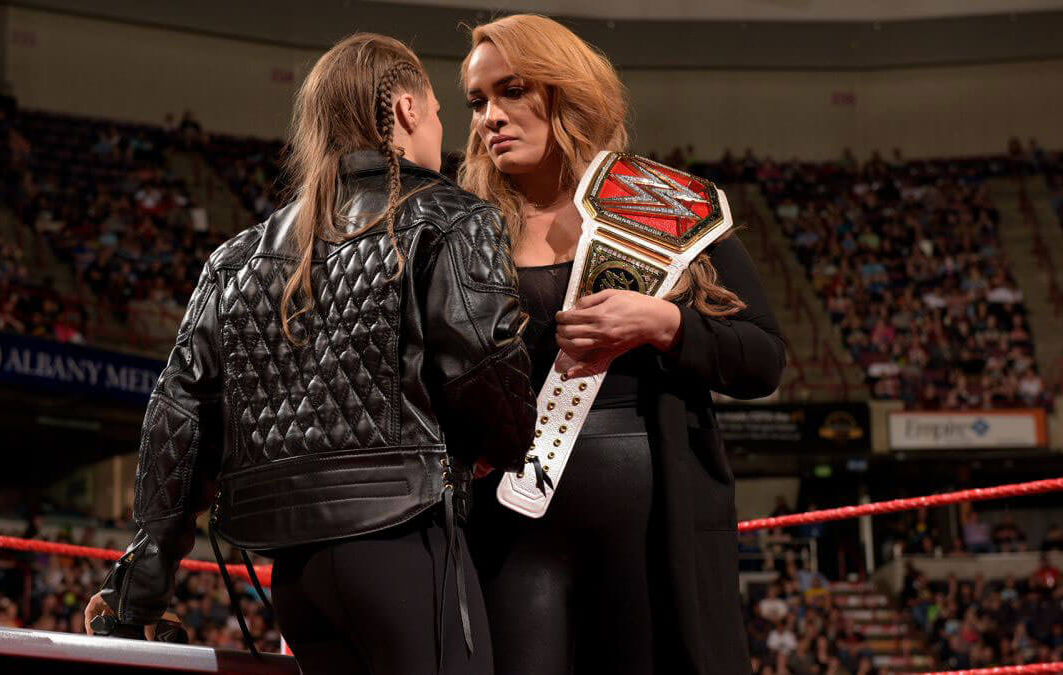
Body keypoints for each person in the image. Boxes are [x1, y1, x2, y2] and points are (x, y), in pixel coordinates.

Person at [84, 33, 536, 675]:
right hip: (407, 546)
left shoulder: (235, 258)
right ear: (408, 109)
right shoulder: (452, 218)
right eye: (438, 111)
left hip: (295, 580)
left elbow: (176, 424)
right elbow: (486, 371)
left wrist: (140, 591)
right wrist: (504, 440)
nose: (444, 128)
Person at [459, 15, 784, 674]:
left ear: (566, 92)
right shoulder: (460, 226)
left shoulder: (668, 207)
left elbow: (762, 358)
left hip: (652, 534)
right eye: (477, 101)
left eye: (512, 90)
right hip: (509, 537)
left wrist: (664, 323)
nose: (490, 116)